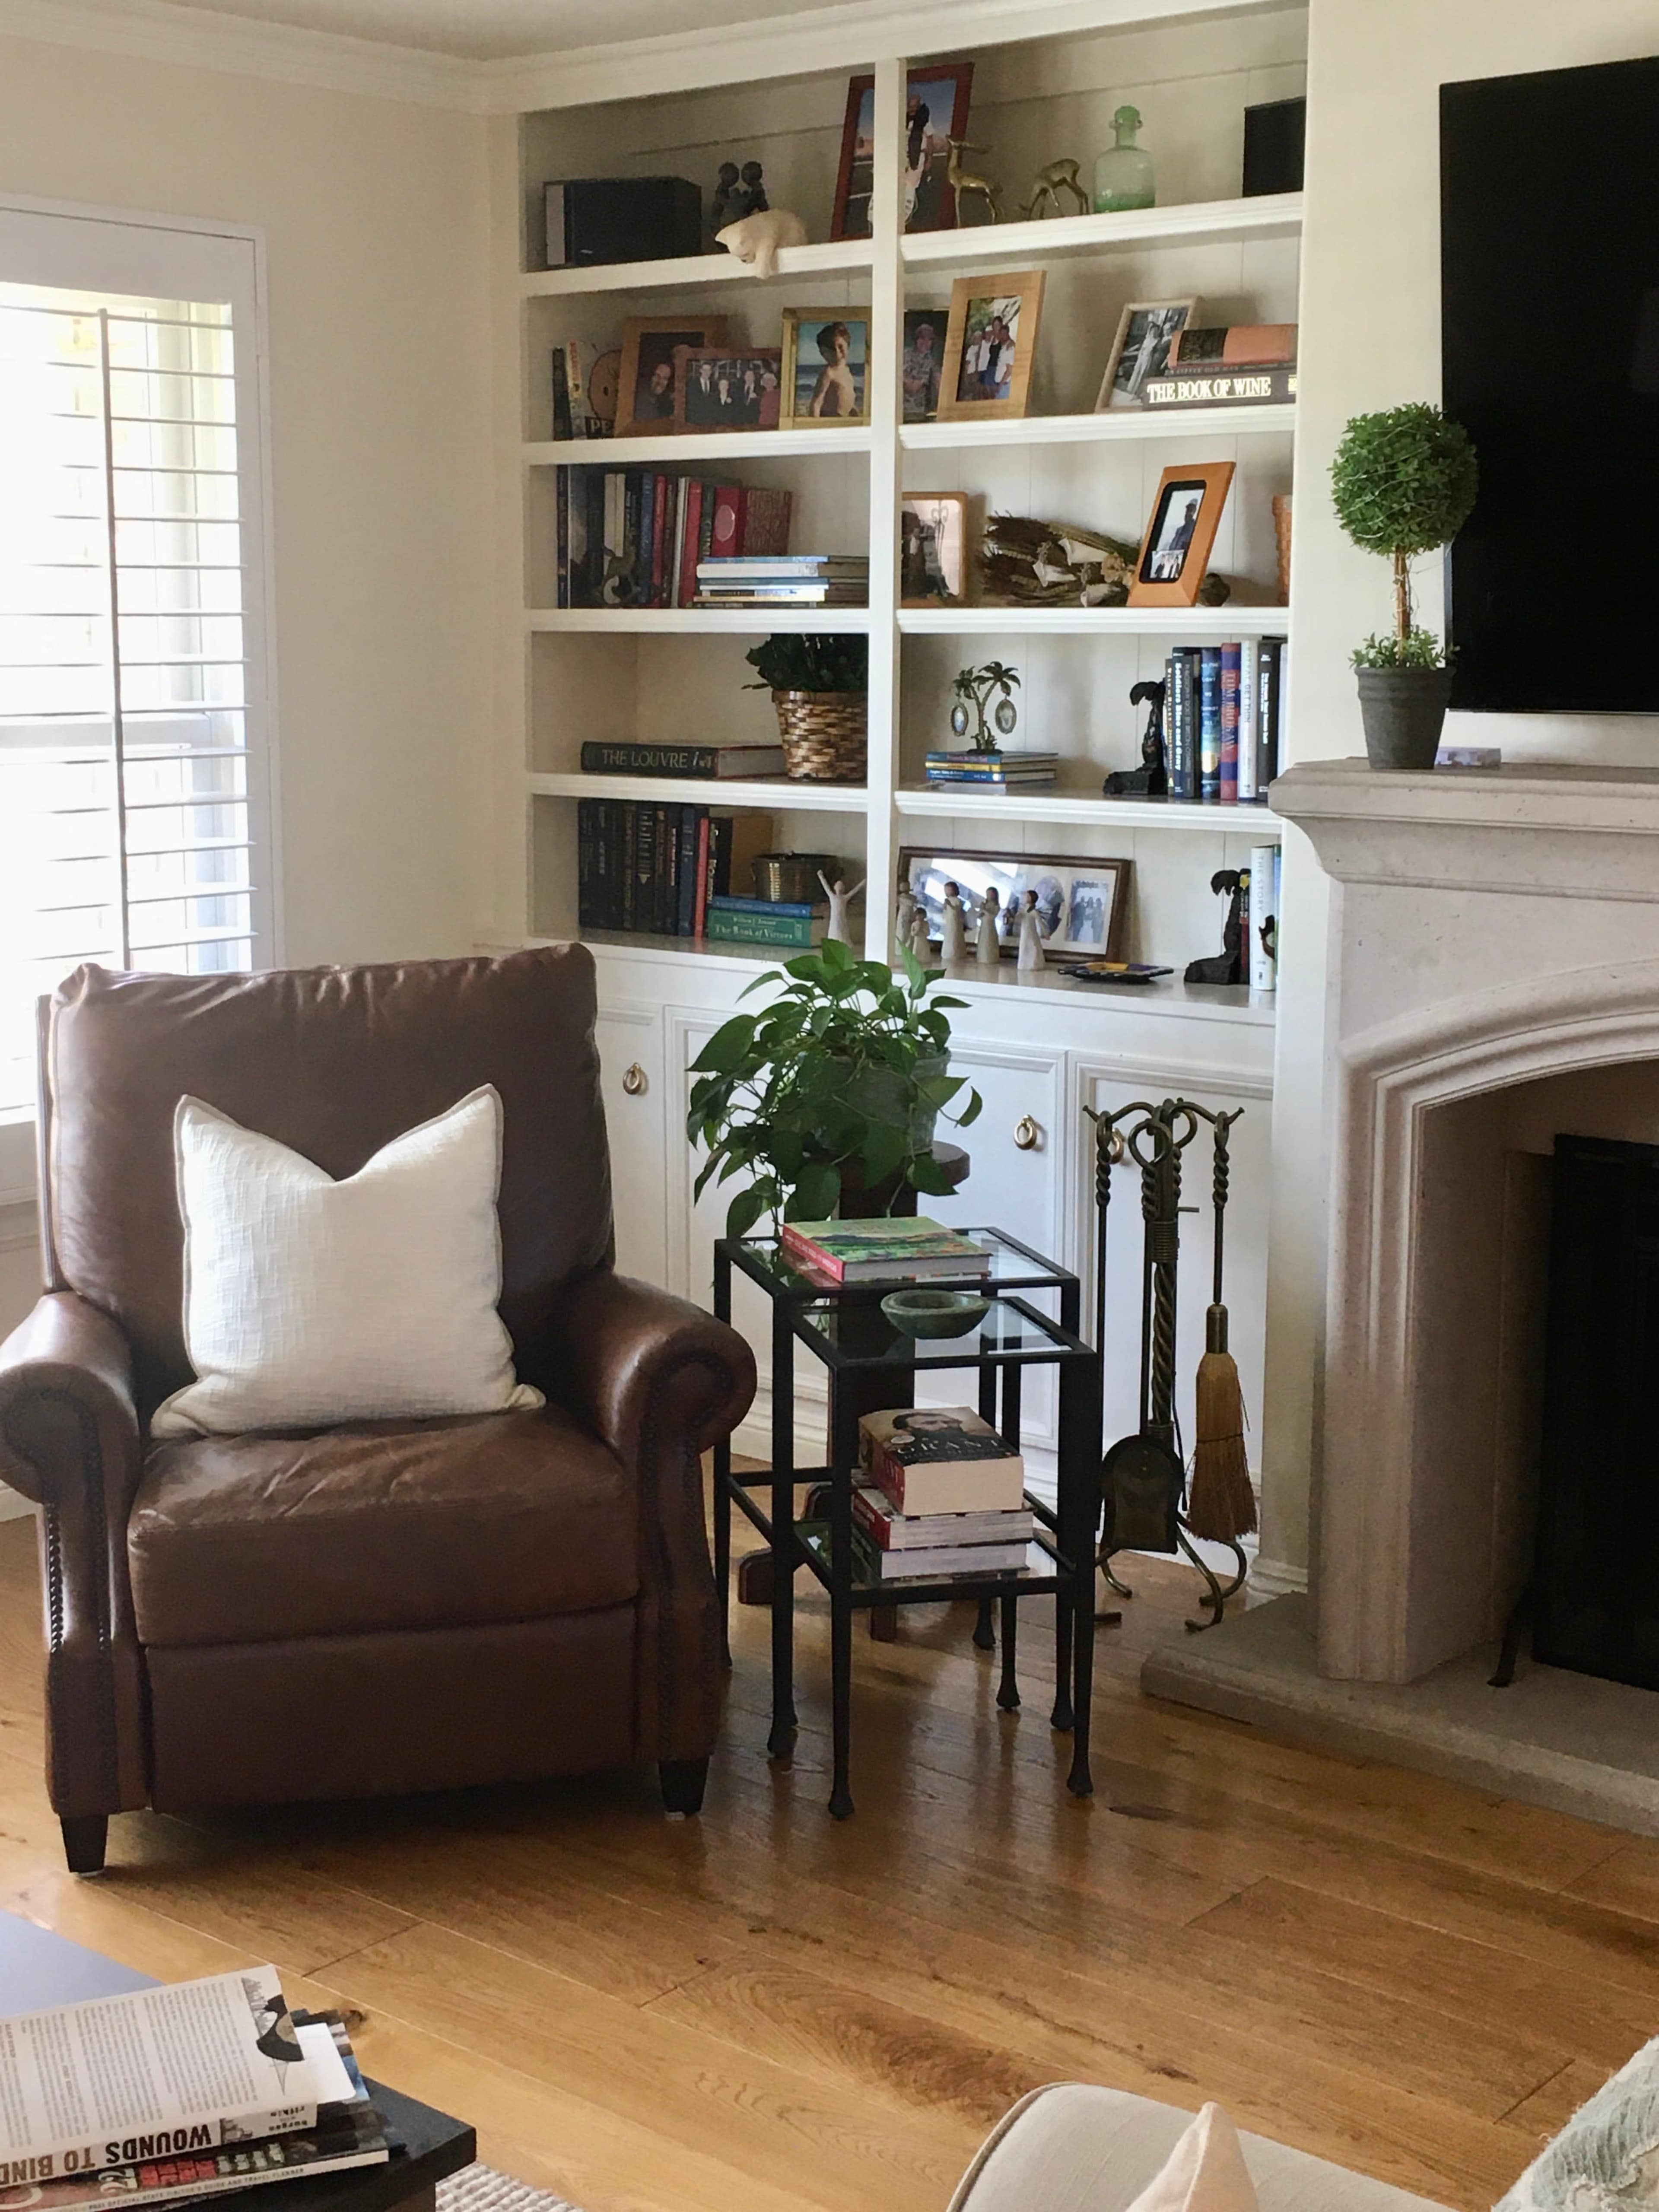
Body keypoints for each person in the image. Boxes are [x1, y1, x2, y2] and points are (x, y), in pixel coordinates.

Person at [807, 321, 857, 418]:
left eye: (841, 347)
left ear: (848, 346)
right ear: (823, 353)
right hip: (829, 418)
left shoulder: (847, 371)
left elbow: (848, 397)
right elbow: (817, 402)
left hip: (845, 418)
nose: (838, 353)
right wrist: (815, 423)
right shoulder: (829, 373)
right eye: (832, 350)